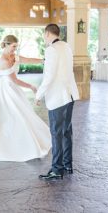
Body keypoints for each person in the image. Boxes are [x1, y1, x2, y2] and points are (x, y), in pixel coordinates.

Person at [35, 24, 79, 180]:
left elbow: (49, 76)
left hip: (58, 97)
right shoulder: (66, 46)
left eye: (43, 35)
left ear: (47, 33)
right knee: (66, 131)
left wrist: (38, 95)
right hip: (70, 94)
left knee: (56, 133)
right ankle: (67, 164)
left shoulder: (51, 50)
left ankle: (56, 169)